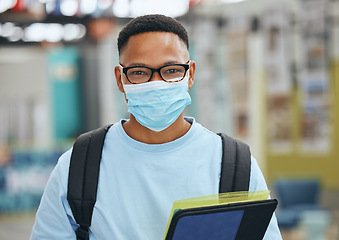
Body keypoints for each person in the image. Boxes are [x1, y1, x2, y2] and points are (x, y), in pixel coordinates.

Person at [30, 14, 282, 239]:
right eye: (140, 72)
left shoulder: (235, 165)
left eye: (171, 70)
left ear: (190, 74)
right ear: (120, 78)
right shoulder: (78, 166)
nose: (157, 83)